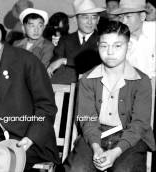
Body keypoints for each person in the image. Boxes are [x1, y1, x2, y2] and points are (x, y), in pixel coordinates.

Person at [0, 15, 59, 172]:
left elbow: (46, 107)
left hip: (31, 140)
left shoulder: (27, 61)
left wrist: (30, 138)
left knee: (0, 163)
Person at [63, 20, 155, 172]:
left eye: (117, 46)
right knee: (77, 168)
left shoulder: (142, 81)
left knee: (124, 169)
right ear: (98, 45)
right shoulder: (87, 79)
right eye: (104, 46)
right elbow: (86, 119)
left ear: (128, 46)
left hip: (130, 137)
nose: (110, 52)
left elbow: (139, 124)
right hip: (94, 135)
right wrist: (96, 147)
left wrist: (116, 151)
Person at [47, 0, 105, 84]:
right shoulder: (65, 40)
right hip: (66, 90)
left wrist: (65, 61)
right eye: (85, 17)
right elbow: (54, 64)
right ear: (75, 20)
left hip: (93, 90)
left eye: (93, 17)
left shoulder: (103, 40)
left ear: (98, 19)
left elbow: (97, 65)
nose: (90, 22)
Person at [110, 0, 156, 78]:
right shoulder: (117, 41)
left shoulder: (153, 32)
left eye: (128, 16)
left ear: (142, 16)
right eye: (121, 17)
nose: (124, 21)